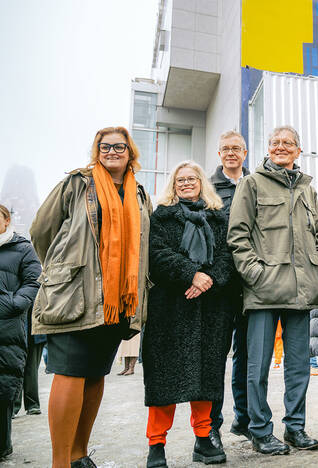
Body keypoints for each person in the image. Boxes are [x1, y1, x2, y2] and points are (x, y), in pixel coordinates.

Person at [30, 126, 152, 468]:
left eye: (119, 146)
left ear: (130, 152)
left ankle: (78, 454)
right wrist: (63, 269)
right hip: (74, 295)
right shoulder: (77, 183)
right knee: (70, 372)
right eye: (104, 146)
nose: (112, 151)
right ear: (96, 150)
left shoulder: (139, 193)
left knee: (96, 372)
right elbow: (42, 230)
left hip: (116, 302)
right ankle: (60, 462)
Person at [228, 125, 318, 455]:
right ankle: (259, 430)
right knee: (257, 367)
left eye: (288, 143)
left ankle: (295, 428)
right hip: (264, 291)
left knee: (299, 365)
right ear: (268, 148)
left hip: (301, 290)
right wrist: (256, 275)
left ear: (299, 150)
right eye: (275, 143)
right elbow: (238, 237)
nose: (281, 147)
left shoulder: (307, 189)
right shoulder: (251, 183)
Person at [142, 161, 235, 467]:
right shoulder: (162, 217)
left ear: (200, 183)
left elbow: (227, 256)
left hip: (210, 310)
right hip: (170, 308)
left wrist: (208, 280)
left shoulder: (217, 218)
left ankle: (204, 440)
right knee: (164, 381)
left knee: (206, 376)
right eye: (180, 179)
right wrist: (191, 274)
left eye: (191, 178)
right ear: (173, 184)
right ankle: (156, 445)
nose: (185, 183)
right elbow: (156, 254)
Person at [208, 130, 251, 449]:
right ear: (219, 153)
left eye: (236, 148)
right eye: (226, 149)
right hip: (219, 286)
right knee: (216, 355)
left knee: (248, 356)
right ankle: (211, 426)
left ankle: (245, 419)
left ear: (245, 152)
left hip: (251, 284)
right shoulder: (208, 189)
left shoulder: (256, 183)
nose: (231, 153)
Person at [0, 203, 41, 461]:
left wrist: (15, 303)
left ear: (6, 221)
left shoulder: (22, 248)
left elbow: (34, 279)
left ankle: (3, 445)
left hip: (7, 326)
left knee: (4, 386)